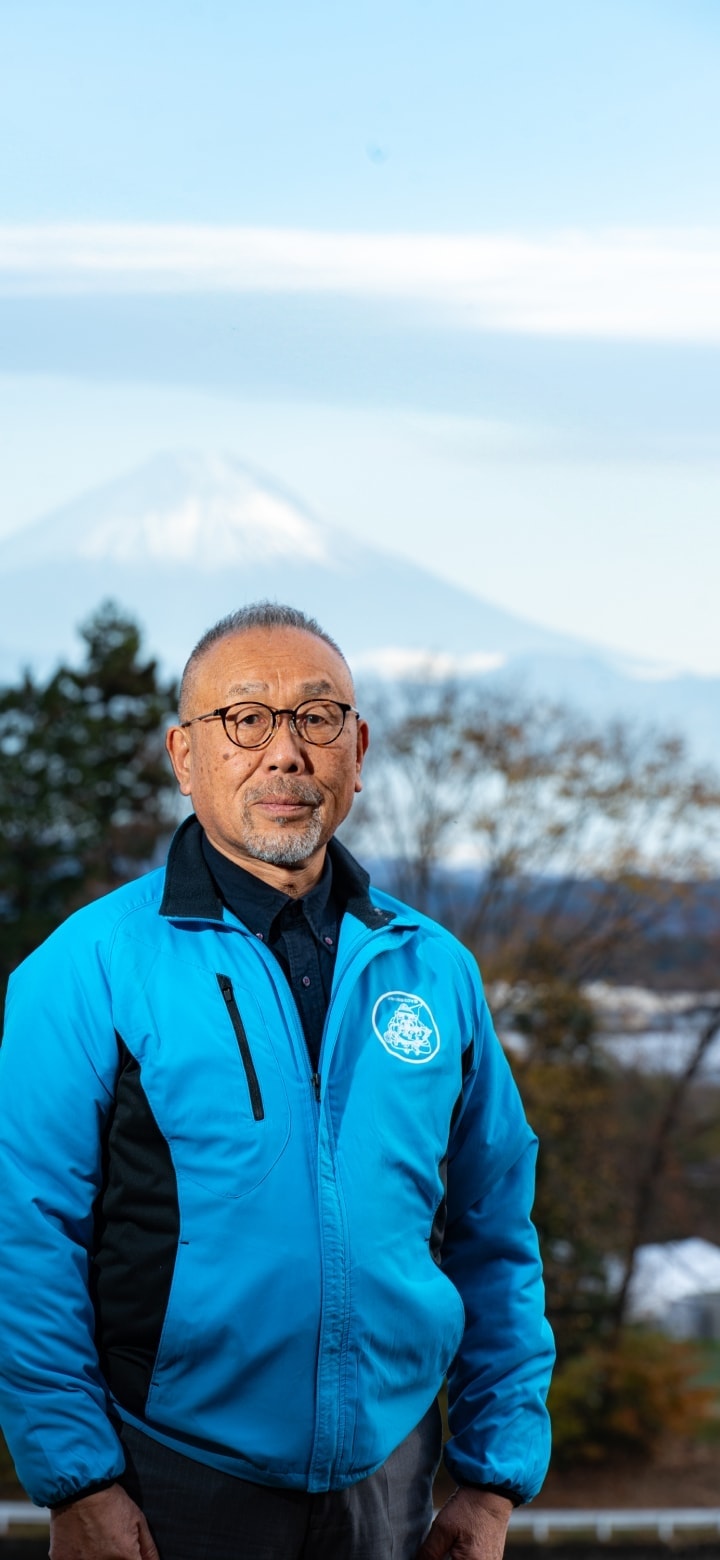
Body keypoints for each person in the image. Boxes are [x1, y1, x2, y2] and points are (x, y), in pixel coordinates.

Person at [0, 602, 554, 1560]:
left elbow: (496, 1230)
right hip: (167, 1475)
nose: (285, 753)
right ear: (185, 755)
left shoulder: (434, 968)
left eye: (316, 717)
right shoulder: (87, 964)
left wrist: (493, 1482)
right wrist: (77, 1478)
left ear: (358, 748)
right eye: (246, 720)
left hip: (395, 1478)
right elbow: (24, 1235)